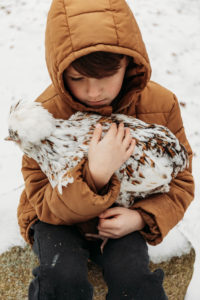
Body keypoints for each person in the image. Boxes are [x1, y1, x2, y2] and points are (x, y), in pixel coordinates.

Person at [17, 0, 194, 299]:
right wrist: (95, 176)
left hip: (121, 220)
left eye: (106, 76)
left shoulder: (159, 105)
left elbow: (181, 182)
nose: (93, 91)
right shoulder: (43, 116)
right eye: (77, 78)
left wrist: (141, 218)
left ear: (128, 63)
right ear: (59, 70)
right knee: (61, 276)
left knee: (134, 280)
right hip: (57, 220)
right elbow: (41, 197)